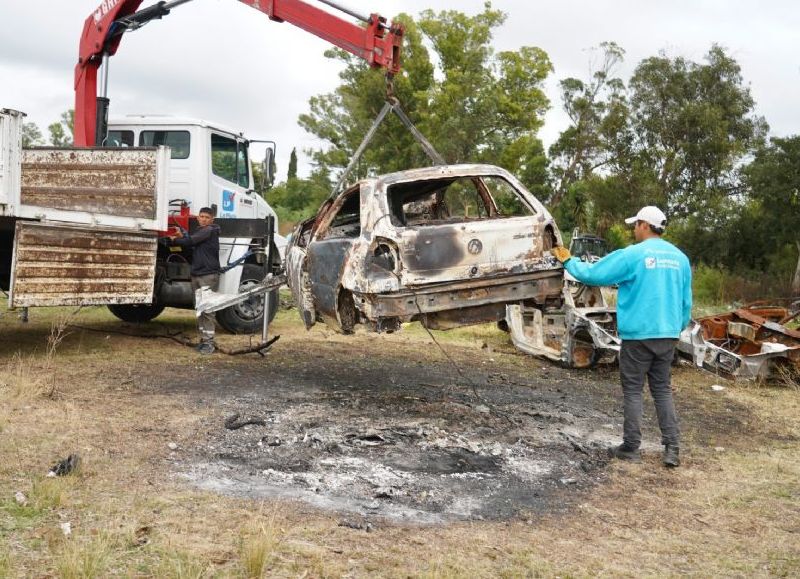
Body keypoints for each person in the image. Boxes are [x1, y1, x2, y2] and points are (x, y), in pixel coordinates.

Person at [552, 206, 692, 467]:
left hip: (638, 336)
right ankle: (672, 448)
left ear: (643, 225)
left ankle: (631, 447)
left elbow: (593, 274)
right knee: (662, 390)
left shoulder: (633, 255)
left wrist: (567, 260)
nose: (634, 230)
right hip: (667, 336)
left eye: (635, 225)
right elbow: (686, 304)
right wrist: (674, 329)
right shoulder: (680, 259)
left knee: (633, 391)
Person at [170, 207, 221, 354]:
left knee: (208, 308)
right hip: (197, 274)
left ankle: (210, 342)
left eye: (206, 217)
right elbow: (190, 247)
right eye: (201, 216)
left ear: (212, 219)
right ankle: (204, 340)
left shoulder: (209, 230)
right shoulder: (201, 232)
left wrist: (176, 240)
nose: (203, 219)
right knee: (200, 308)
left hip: (208, 275)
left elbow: (190, 241)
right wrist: (182, 239)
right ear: (198, 218)